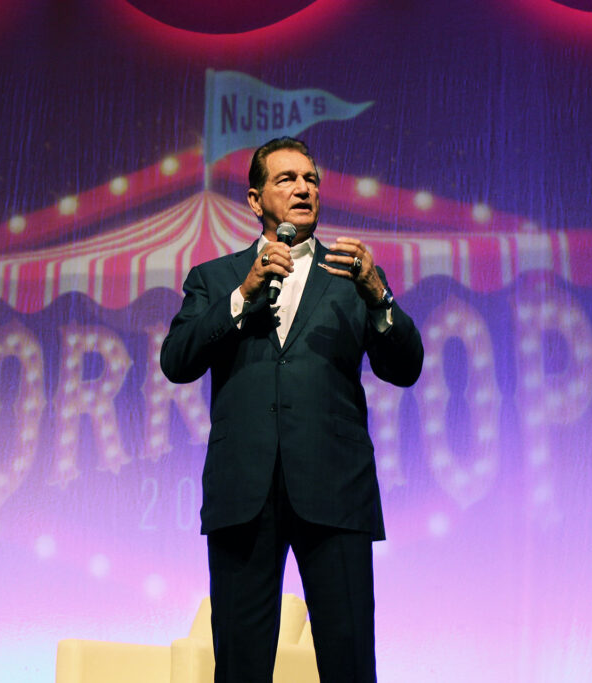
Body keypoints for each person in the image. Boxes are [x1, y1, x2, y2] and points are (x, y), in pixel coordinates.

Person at [160, 137, 423, 683]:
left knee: (349, 660)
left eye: (311, 179)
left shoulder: (351, 276)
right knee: (239, 663)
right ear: (256, 201)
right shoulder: (215, 278)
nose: (303, 188)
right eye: (286, 179)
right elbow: (177, 361)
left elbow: (406, 367)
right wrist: (242, 295)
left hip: (335, 488)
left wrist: (378, 295)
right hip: (244, 491)